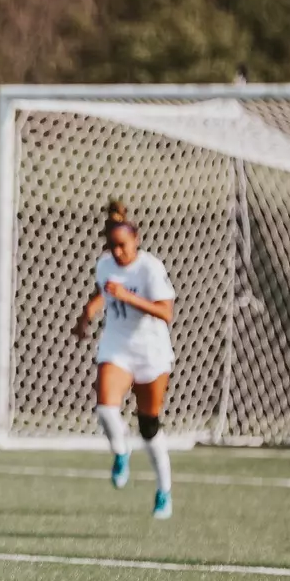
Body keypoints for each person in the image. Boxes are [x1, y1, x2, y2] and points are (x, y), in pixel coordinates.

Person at [73, 198, 178, 520]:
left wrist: (129, 297)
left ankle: (164, 491)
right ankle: (121, 450)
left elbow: (166, 313)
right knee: (105, 409)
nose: (117, 253)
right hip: (117, 345)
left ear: (136, 240)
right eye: (112, 246)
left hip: (151, 350)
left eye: (122, 246)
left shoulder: (150, 268)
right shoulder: (104, 264)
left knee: (149, 426)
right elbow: (103, 292)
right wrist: (87, 314)